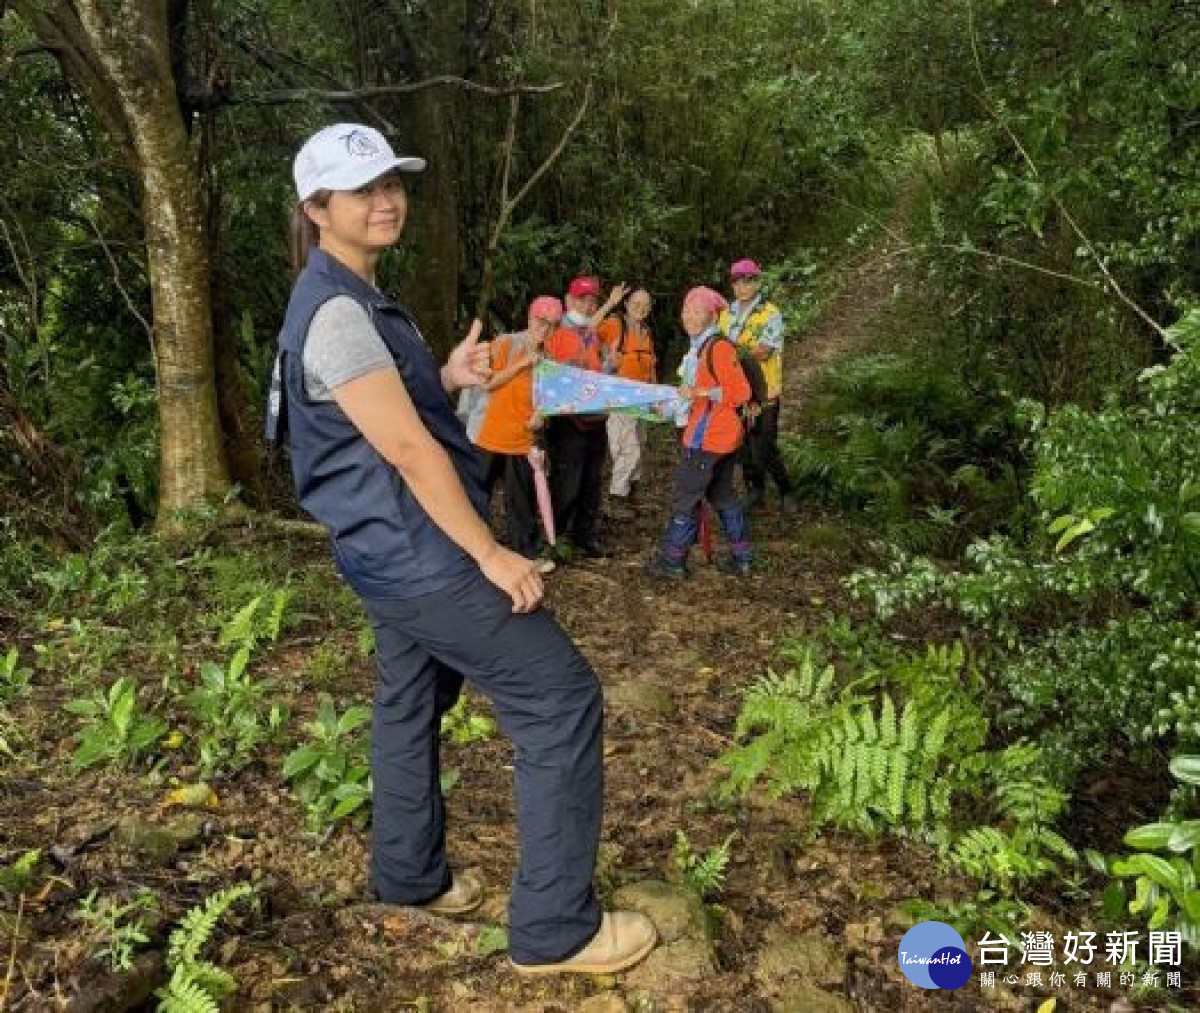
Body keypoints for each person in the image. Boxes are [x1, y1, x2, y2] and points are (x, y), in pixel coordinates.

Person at [266, 123, 655, 974]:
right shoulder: (337, 312)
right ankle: (557, 929)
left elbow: (371, 418)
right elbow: (408, 451)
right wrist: (489, 553)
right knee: (560, 697)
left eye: (391, 182)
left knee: (410, 699)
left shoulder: (347, 298)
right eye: (361, 188)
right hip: (421, 552)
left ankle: (407, 876)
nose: (385, 199)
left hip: (379, 554)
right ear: (315, 208)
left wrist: (446, 377)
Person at [645, 286, 754, 578]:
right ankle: (742, 558)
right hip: (720, 438)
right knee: (723, 496)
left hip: (709, 438)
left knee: (686, 499)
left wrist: (699, 391)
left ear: (710, 315)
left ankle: (672, 562)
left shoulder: (718, 347)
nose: (688, 317)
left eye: (697, 311)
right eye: (686, 310)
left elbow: (740, 392)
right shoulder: (700, 347)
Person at [474, 296, 563, 574]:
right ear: (529, 318)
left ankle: (526, 553)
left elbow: (547, 398)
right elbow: (488, 383)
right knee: (476, 493)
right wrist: (523, 362)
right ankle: (468, 549)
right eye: (540, 321)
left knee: (521, 499)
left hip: (521, 439)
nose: (545, 328)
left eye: (552, 325)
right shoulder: (506, 343)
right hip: (488, 434)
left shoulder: (549, 358)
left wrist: (542, 416)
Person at [543, 276, 625, 558]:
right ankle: (556, 539)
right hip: (568, 420)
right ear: (568, 300)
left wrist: (610, 366)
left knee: (592, 481)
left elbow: (598, 372)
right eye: (582, 299)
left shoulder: (592, 334)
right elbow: (549, 375)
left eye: (592, 301)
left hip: (595, 417)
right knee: (568, 481)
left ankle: (585, 536)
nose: (588, 305)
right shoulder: (555, 331)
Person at [719, 259, 797, 513]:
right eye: (737, 282)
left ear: (757, 282)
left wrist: (735, 350)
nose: (742, 287)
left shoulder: (770, 313)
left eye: (747, 282)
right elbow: (718, 349)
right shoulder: (726, 313)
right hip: (736, 391)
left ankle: (786, 490)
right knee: (742, 444)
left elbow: (763, 352)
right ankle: (756, 490)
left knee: (764, 444)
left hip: (764, 391)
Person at [598, 287, 655, 516]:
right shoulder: (614, 324)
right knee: (627, 448)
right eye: (636, 303)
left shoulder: (646, 331)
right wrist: (607, 361)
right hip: (619, 396)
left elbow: (650, 366)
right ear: (626, 304)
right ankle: (617, 497)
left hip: (642, 397)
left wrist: (654, 395)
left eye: (646, 304)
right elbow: (586, 334)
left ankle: (632, 492)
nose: (641, 308)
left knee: (639, 444)